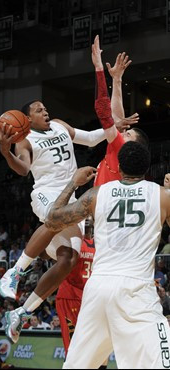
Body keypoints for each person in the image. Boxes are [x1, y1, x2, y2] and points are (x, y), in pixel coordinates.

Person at [0, 44, 138, 344]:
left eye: (44, 107)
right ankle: (15, 272)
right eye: (38, 109)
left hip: (73, 193)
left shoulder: (60, 125)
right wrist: (4, 150)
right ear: (27, 119)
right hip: (48, 193)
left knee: (68, 260)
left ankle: (22, 313)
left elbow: (89, 139)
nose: (45, 110)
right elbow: (22, 169)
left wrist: (115, 127)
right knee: (55, 217)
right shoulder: (26, 139)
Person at [45, 140, 170, 369]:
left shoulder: (96, 194)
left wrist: (73, 183)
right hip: (136, 291)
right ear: (148, 169)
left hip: (98, 288)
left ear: (120, 168)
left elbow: (52, 218)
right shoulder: (162, 196)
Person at [91, 35, 148, 187]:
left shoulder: (121, 149)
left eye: (127, 135)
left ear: (133, 147)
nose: (123, 133)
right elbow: (117, 119)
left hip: (104, 208)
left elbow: (104, 112)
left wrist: (99, 68)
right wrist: (117, 79)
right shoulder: (120, 151)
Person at [55, 216, 95, 355]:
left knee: (93, 347)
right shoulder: (73, 240)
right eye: (85, 217)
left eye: (91, 216)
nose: (88, 219)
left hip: (90, 298)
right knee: (73, 348)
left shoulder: (101, 244)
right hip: (69, 295)